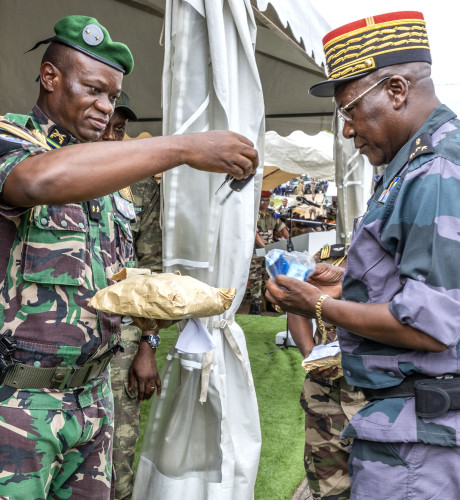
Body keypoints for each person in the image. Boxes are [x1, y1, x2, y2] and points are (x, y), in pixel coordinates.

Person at [0, 15, 257, 499]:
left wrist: (166, 318)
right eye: (94, 90)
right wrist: (183, 147)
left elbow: (120, 277)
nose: (105, 107)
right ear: (50, 77)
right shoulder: (13, 140)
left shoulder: (110, 174)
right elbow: (37, 182)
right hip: (19, 401)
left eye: (113, 97)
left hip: (95, 395)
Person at [266, 11, 460, 499]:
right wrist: (347, 281)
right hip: (422, 430)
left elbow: (429, 324)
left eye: (349, 111)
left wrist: (316, 306)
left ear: (396, 90)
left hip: (423, 442)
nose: (348, 130)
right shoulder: (424, 159)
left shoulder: (437, 170)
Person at [100, 92, 162, 500]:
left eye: (119, 128)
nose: (110, 136)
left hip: (122, 345)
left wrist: (148, 344)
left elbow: (150, 270)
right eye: (103, 124)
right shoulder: (49, 169)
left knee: (117, 465)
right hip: (59, 339)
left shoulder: (140, 183)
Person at [288, 245, 365, 500]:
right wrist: (309, 353)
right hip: (326, 398)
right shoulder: (329, 257)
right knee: (329, 492)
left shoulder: (400, 254)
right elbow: (296, 306)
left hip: (379, 400)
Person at [248, 190, 289, 315]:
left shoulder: (272, 215)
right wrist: (264, 247)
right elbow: (254, 233)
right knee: (256, 278)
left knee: (269, 277)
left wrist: (290, 241)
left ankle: (269, 303)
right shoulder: (254, 214)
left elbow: (282, 228)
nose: (265, 203)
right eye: (262, 200)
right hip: (256, 252)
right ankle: (255, 306)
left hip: (269, 252)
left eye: (267, 200)